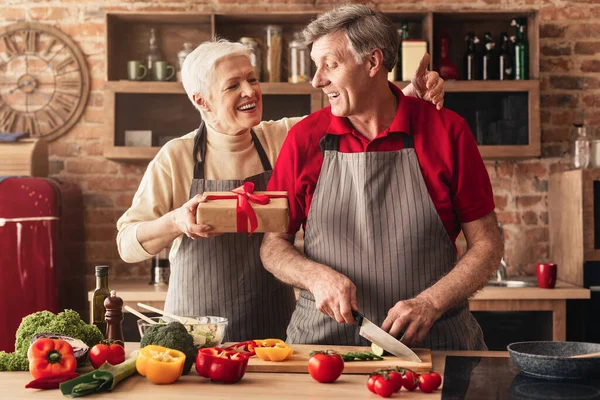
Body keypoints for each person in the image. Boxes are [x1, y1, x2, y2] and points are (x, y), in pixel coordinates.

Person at [116, 37, 446, 341]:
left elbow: (353, 109)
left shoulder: (283, 137)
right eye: (233, 85)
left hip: (272, 323)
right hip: (197, 328)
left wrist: (407, 95)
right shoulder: (176, 157)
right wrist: (176, 222)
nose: (250, 91)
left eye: (252, 79)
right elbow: (127, 244)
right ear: (200, 100)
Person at [260, 4, 504, 350]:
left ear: (373, 63)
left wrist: (431, 303)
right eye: (317, 66)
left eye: (330, 64)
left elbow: (488, 244)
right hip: (325, 349)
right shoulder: (304, 139)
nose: (317, 80)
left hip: (433, 346)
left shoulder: (446, 131)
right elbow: (273, 245)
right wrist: (314, 277)